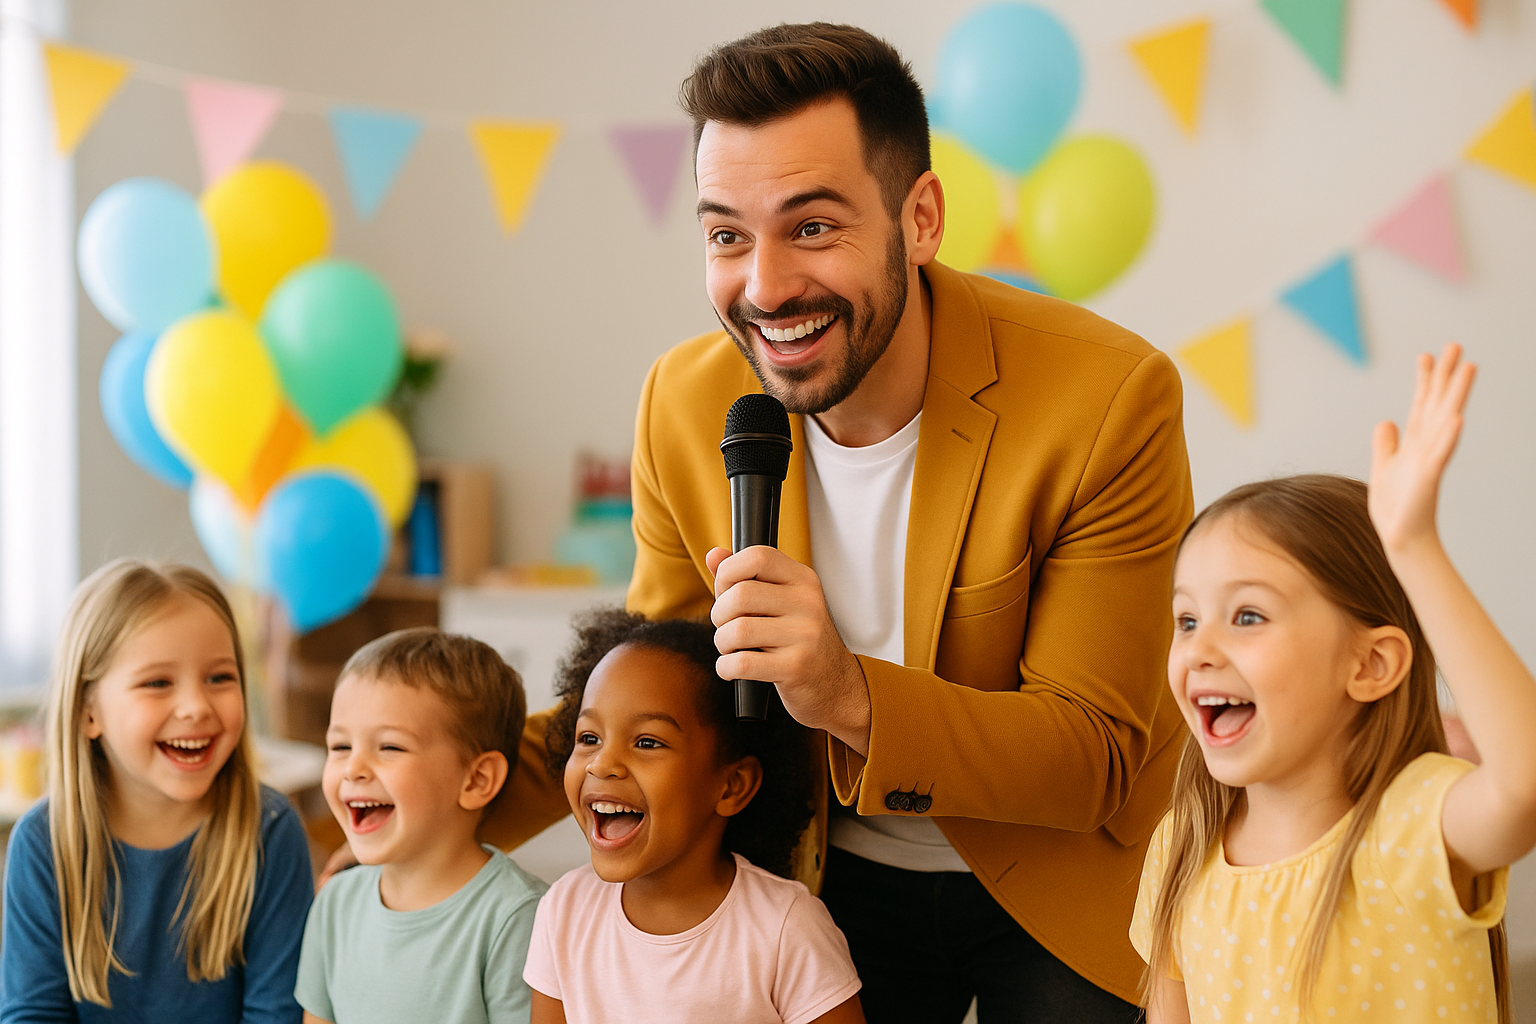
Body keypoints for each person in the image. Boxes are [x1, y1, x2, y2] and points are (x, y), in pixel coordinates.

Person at [480, 21, 1192, 1022]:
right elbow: (656, 684)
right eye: (727, 233)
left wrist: (850, 694)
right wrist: (429, 793)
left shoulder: (1109, 398)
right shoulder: (684, 403)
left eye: (812, 226)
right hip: (823, 870)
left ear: (923, 218)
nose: (765, 286)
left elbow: (1095, 757)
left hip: (1065, 878)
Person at [1132, 344, 1529, 1023]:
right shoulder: (1181, 845)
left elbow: (1523, 784)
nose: (1199, 649)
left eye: (1248, 615)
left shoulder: (1414, 825)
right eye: (1188, 619)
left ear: (1370, 665)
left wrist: (1414, 549)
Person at [0, 560, 313, 1022]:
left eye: (220, 678)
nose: (196, 707)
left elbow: (276, 1013)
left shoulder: (270, 831)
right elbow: (33, 1014)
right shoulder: (43, 842)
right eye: (157, 683)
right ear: (89, 713)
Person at [524, 611, 863, 1024]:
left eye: (647, 742)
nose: (603, 764)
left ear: (732, 786)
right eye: (589, 738)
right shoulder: (563, 910)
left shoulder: (787, 929)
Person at [297, 629, 546, 1024]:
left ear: (477, 780)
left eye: (390, 747)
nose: (353, 769)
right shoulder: (333, 904)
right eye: (340, 747)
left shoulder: (519, 917)